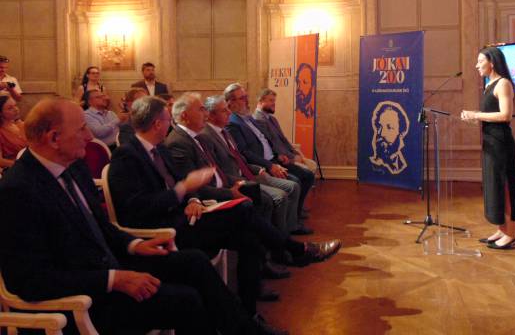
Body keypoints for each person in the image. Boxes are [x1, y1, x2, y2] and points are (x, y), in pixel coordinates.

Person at [0, 98, 266, 334]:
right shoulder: (17, 190)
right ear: (53, 138)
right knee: (186, 300)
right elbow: (30, 280)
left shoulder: (74, 167)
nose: (89, 136)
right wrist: (113, 280)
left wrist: (135, 244)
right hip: (82, 299)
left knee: (194, 262)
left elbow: (101, 227)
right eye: (81, 128)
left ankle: (245, 329)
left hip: (107, 267)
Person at [108, 97, 341, 331]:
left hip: (188, 216)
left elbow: (179, 183)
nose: (171, 123)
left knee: (249, 239)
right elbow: (137, 207)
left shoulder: (159, 149)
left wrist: (192, 198)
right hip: (164, 230)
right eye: (168, 119)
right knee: (243, 210)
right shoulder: (126, 156)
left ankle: (250, 315)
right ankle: (296, 251)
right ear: (158, 124)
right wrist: (184, 190)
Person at [204, 94, 301, 234]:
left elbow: (239, 157)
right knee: (279, 196)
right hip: (237, 180)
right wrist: (257, 171)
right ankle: (278, 239)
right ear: (211, 115)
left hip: (251, 171)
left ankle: (284, 234)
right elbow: (220, 169)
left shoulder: (225, 131)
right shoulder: (209, 135)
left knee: (292, 186)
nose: (229, 113)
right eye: (224, 110)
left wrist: (257, 168)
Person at [225, 83, 315, 233]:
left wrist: (279, 155)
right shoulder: (232, 123)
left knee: (304, 176)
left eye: (246, 97)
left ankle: (292, 220)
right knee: (295, 182)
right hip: (261, 165)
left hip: (273, 159)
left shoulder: (248, 118)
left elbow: (267, 140)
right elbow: (244, 152)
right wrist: (269, 165)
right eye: (242, 98)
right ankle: (290, 225)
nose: (246, 100)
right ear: (231, 102)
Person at [461, 47, 515, 250]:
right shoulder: (489, 84)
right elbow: (491, 114)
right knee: (495, 187)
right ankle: (502, 229)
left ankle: (512, 233)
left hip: (501, 143)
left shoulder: (503, 84)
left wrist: (476, 115)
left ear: (492, 62)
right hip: (491, 143)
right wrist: (474, 117)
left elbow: (506, 115)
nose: (476, 65)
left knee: (506, 186)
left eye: (480, 61)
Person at [253, 88, 318, 173]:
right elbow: (272, 145)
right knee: (307, 173)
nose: (274, 103)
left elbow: (283, 139)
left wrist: (295, 153)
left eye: (274, 101)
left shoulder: (272, 119)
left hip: (288, 155)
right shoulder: (258, 119)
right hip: (280, 160)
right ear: (261, 101)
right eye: (271, 100)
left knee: (312, 165)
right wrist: (292, 157)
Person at [369, 101, 410, 175]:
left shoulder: (403, 165)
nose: (382, 133)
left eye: (389, 127)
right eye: (379, 126)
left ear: (400, 133)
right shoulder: (369, 164)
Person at [0, 95, 27, 172]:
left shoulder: (21, 125)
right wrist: (23, 165)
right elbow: (0, 161)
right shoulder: (1, 132)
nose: (16, 109)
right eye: (10, 108)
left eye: (15, 105)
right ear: (1, 113)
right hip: (14, 169)